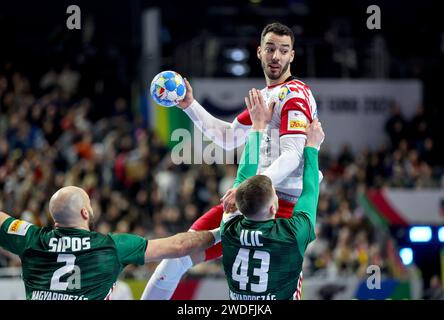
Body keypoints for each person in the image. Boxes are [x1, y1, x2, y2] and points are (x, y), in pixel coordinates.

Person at [142, 22, 320, 300]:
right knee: (175, 260)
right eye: (270, 49)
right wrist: (189, 105)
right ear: (259, 52)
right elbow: (228, 137)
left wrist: (247, 189)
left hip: (280, 207)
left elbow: (292, 156)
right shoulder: (264, 96)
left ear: (292, 56)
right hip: (248, 199)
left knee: (275, 292)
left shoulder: (294, 96)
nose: (276, 56)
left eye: (283, 51)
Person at [0, 186, 219, 300]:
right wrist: (220, 232)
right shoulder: (111, 246)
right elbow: (179, 246)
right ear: (85, 212)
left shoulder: (30, 239)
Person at [220, 95, 324, 300]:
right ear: (272, 209)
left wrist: (258, 124)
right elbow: (310, 191)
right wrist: (312, 147)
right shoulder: (290, 234)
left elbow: (243, 178)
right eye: (275, 194)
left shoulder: (230, 226)